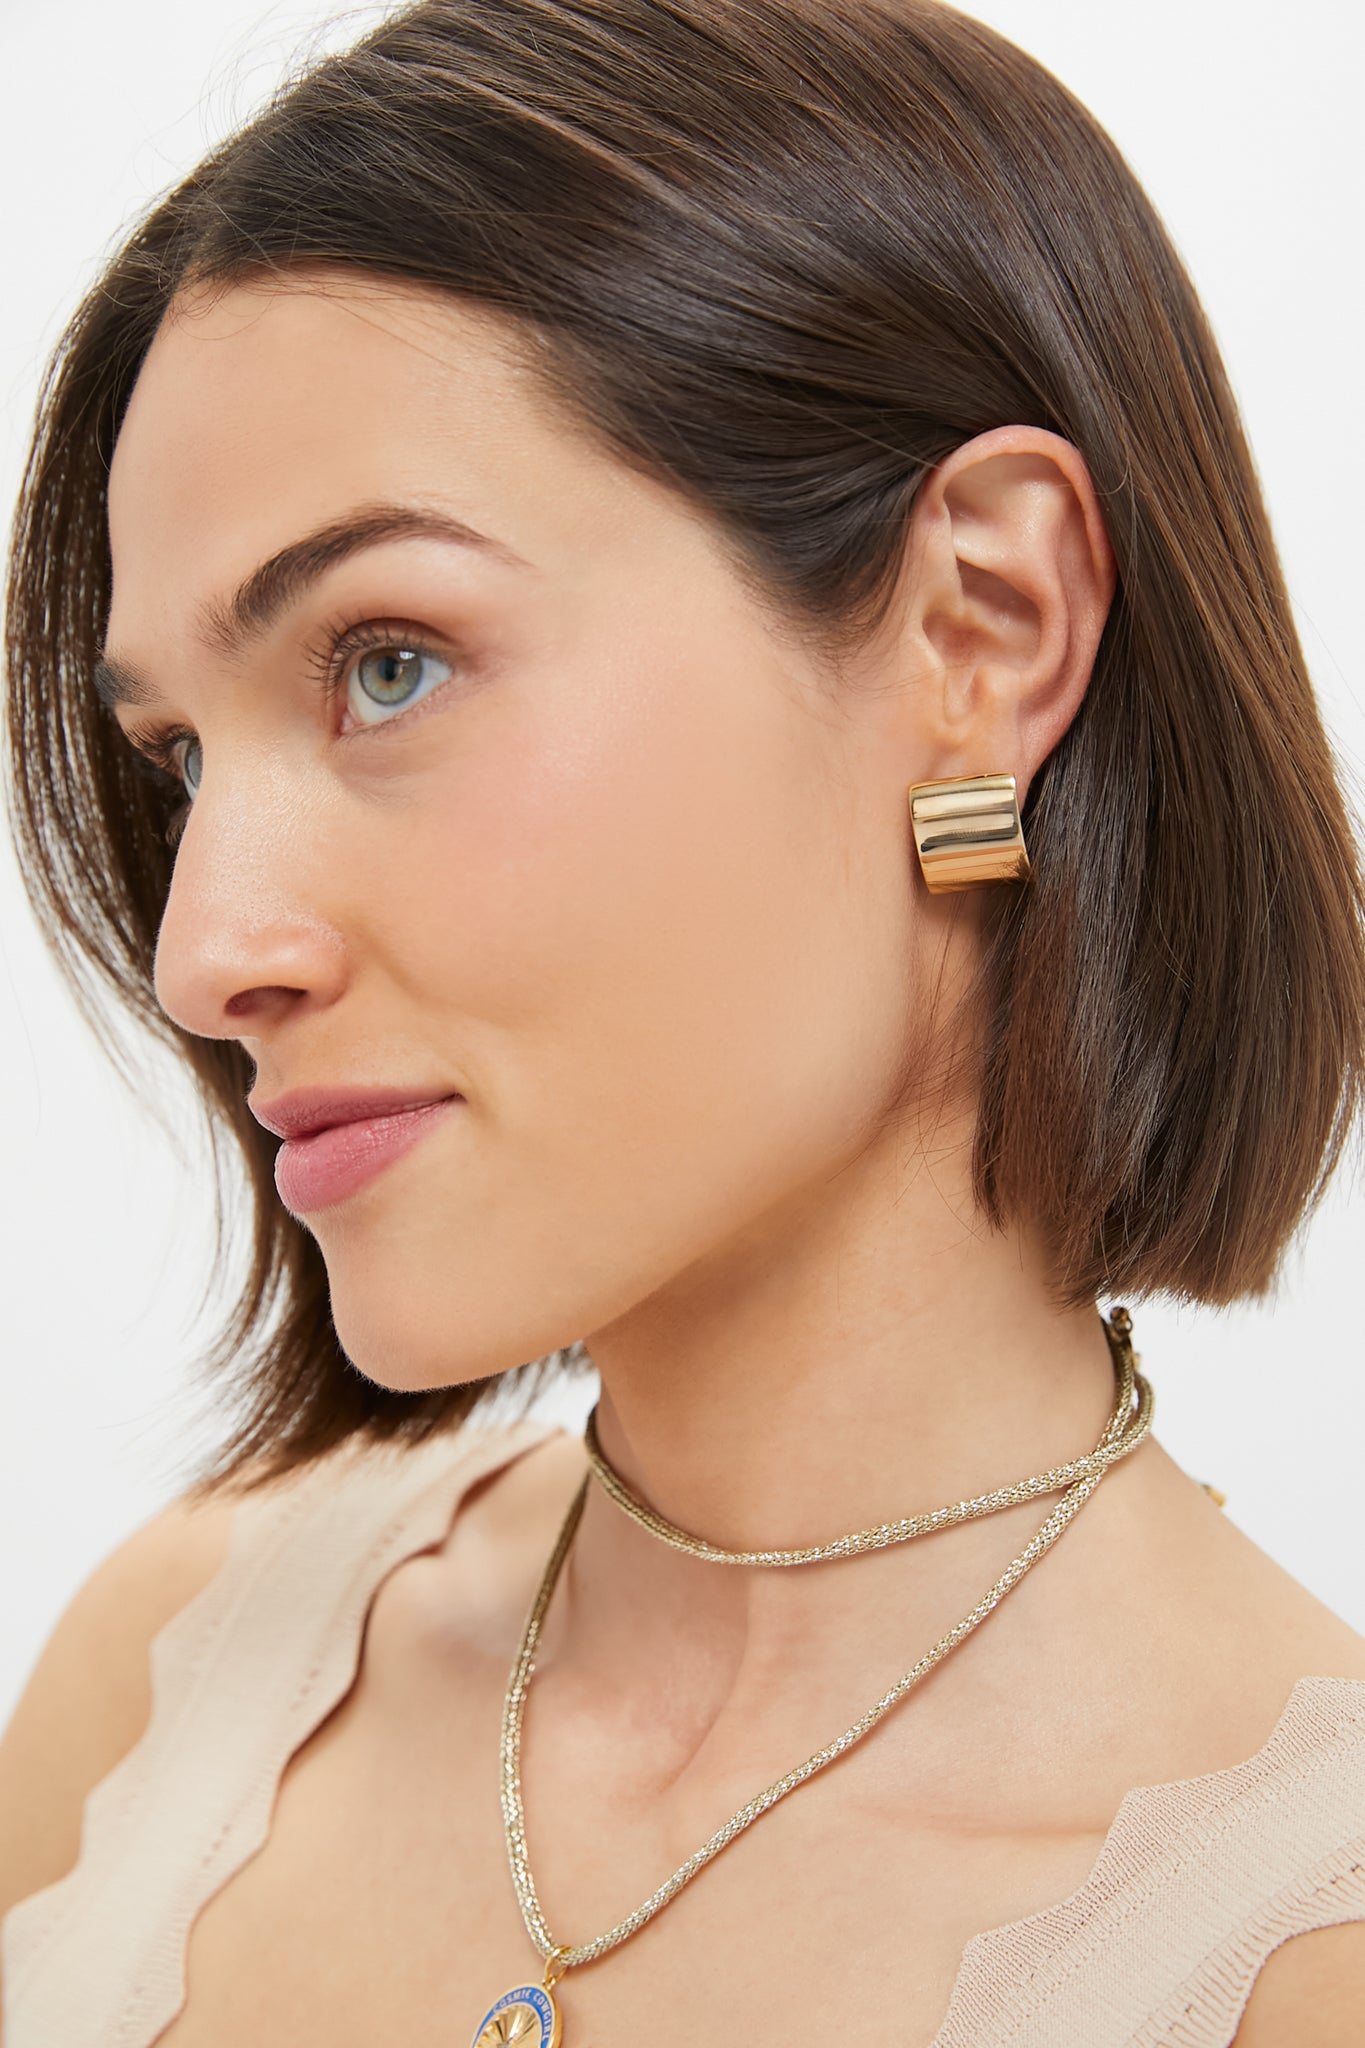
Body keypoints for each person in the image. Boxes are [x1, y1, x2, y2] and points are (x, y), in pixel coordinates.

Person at [2, 0, 1363, 2040]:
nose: (207, 952)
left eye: (385, 664)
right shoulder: (176, 1683)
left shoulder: (1295, 1958)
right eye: (184, 759)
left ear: (975, 633)